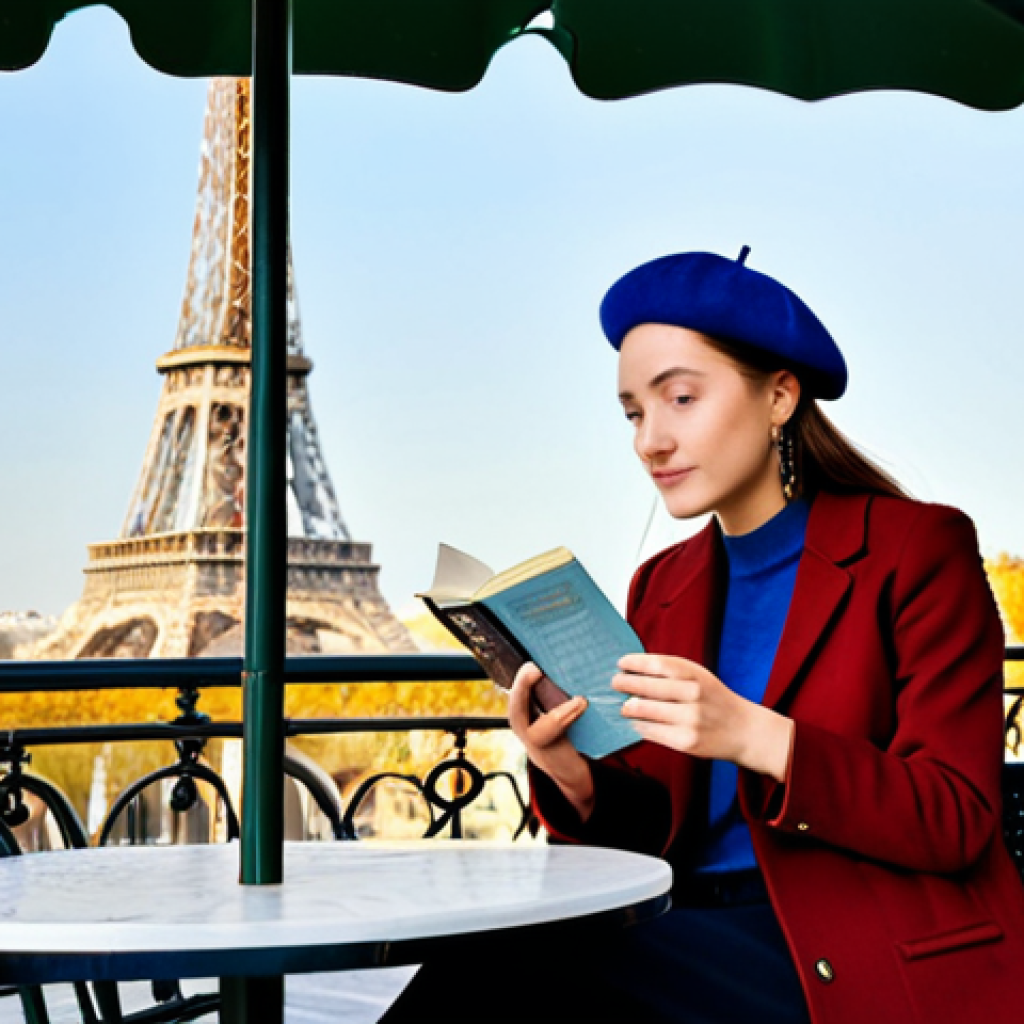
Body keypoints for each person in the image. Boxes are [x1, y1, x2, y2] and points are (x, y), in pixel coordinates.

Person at [380, 250, 1024, 1024]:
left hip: (851, 950)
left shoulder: (918, 549)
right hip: (678, 931)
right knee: (499, 951)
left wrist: (757, 735)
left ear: (780, 397)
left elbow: (956, 818)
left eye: (680, 398)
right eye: (633, 413)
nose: (649, 440)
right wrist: (572, 775)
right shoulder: (664, 582)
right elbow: (658, 828)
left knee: (509, 963)